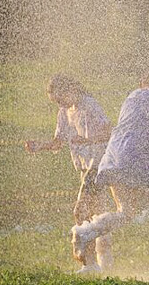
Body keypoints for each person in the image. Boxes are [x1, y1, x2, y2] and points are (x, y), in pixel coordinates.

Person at [71, 68, 149, 274]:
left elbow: (138, 124)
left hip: (113, 158)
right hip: (136, 158)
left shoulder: (133, 96)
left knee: (126, 212)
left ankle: (85, 232)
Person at [25, 74, 114, 272]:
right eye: (56, 102)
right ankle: (106, 263)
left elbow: (109, 131)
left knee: (80, 212)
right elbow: (58, 142)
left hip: (97, 165)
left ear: (71, 90)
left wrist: (87, 140)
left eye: (61, 99)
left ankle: (89, 263)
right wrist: (39, 146)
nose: (60, 104)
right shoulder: (64, 112)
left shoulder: (90, 105)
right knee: (97, 215)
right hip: (84, 168)